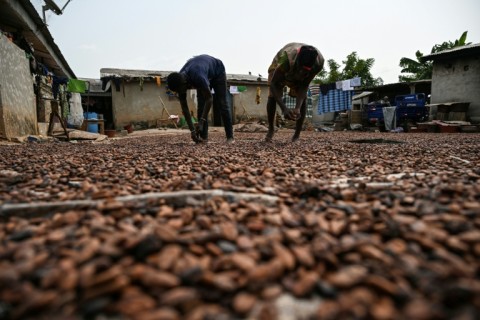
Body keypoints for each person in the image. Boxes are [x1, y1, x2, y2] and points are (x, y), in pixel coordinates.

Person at [167, 55, 234, 144]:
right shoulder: (178, 81)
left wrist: (201, 121)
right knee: (201, 105)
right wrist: (192, 131)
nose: (180, 93)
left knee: (222, 103)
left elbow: (209, 98)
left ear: (184, 84)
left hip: (218, 71)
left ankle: (230, 137)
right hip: (203, 72)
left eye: (180, 90)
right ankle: (203, 137)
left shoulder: (197, 77)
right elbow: (185, 108)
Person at [265, 43, 324, 142]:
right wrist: (284, 108)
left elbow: (304, 86)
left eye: (304, 71)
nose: (301, 73)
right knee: (272, 96)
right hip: (281, 67)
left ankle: (297, 135)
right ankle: (271, 129)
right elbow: (274, 84)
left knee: (303, 99)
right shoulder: (286, 59)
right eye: (300, 69)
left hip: (298, 69)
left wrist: (297, 108)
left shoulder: (318, 63)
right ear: (297, 62)